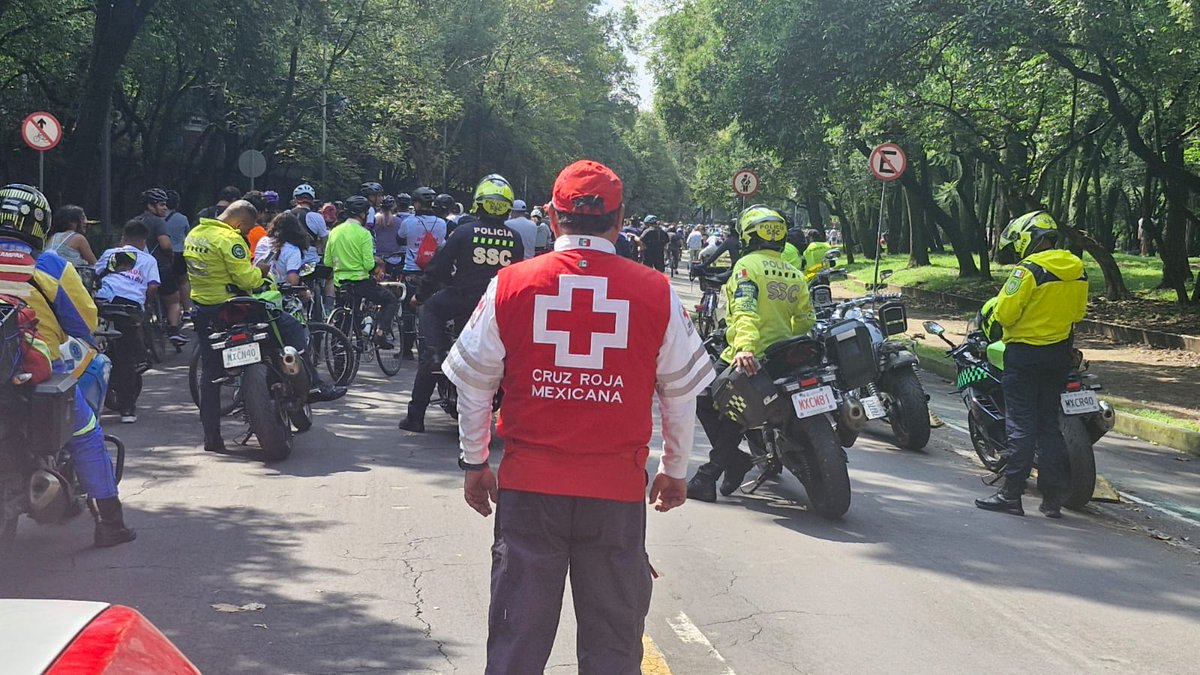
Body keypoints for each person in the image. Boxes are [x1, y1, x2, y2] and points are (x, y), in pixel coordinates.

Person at [444, 160, 711, 673]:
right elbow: (679, 394)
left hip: (529, 492)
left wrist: (474, 461)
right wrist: (674, 470)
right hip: (615, 496)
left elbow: (474, 384)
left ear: (551, 215)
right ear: (620, 219)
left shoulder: (511, 285)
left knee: (516, 640)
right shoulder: (656, 291)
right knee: (613, 643)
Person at [0, 184, 136, 547]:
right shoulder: (50, 266)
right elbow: (84, 323)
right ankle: (110, 522)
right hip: (33, 372)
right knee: (86, 434)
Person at [186, 200, 345, 453]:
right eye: (246, 228)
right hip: (236, 308)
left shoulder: (195, 235)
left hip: (205, 310)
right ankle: (314, 382)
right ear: (239, 222)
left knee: (211, 375)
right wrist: (260, 271)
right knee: (290, 327)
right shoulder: (229, 240)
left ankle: (212, 437)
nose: (245, 233)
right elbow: (246, 279)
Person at [686, 205, 816, 502]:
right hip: (786, 354)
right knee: (736, 407)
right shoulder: (794, 273)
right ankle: (726, 464)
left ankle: (720, 468)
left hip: (748, 353)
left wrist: (745, 347)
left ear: (748, 236)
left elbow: (745, 311)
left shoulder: (747, 267)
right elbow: (805, 319)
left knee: (705, 397)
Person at [975, 210, 1088, 519]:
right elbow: (1078, 314)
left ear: (1028, 238)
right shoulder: (1078, 269)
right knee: (1048, 426)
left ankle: (1011, 494)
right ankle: (1051, 500)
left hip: (1024, 356)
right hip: (1057, 356)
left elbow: (1006, 314)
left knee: (1021, 425)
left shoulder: (1028, 270)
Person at [397, 174, 524, 433]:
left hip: (462, 298)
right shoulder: (515, 239)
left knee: (430, 313)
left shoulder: (463, 232)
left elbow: (438, 268)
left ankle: (417, 411)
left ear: (479, 202)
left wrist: (419, 296)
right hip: (498, 306)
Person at [96, 220, 161, 423]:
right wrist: (145, 304)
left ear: (123, 237)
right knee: (127, 358)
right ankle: (127, 409)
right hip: (129, 309)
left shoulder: (109, 254)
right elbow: (152, 287)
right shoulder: (149, 260)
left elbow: (94, 274)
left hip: (102, 305)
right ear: (144, 240)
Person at [325, 196, 399, 349]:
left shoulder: (334, 231)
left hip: (341, 282)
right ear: (362, 215)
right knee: (391, 300)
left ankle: (339, 357)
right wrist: (375, 268)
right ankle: (379, 334)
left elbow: (327, 262)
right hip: (361, 282)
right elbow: (368, 264)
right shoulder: (364, 234)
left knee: (343, 320)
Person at [397, 187, 448, 358]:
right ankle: (432, 347)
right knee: (435, 310)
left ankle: (406, 351)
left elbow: (400, 238)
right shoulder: (442, 223)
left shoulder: (408, 223)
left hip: (412, 271)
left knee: (408, 313)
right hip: (434, 273)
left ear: (417, 203)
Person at [134, 188, 185, 347]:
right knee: (174, 300)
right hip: (160, 267)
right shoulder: (158, 222)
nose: (164, 208)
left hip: (139, 270)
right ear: (151, 206)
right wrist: (170, 255)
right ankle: (173, 329)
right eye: (161, 205)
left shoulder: (135, 221)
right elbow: (165, 244)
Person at [254, 211, 308, 286]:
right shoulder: (293, 250)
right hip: (277, 292)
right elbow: (292, 280)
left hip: (256, 286)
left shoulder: (263, 241)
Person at [163, 191, 193, 320]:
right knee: (183, 282)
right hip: (180, 253)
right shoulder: (182, 218)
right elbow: (188, 235)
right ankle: (187, 310)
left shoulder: (158, 218)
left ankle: (165, 312)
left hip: (164, 255)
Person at [46, 205, 98, 270]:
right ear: (71, 222)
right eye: (82, 218)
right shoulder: (79, 239)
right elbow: (96, 265)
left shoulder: (52, 237)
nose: (85, 222)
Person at [373, 195, 406, 278]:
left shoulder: (374, 221)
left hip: (378, 258)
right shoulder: (400, 221)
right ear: (393, 207)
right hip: (395, 258)